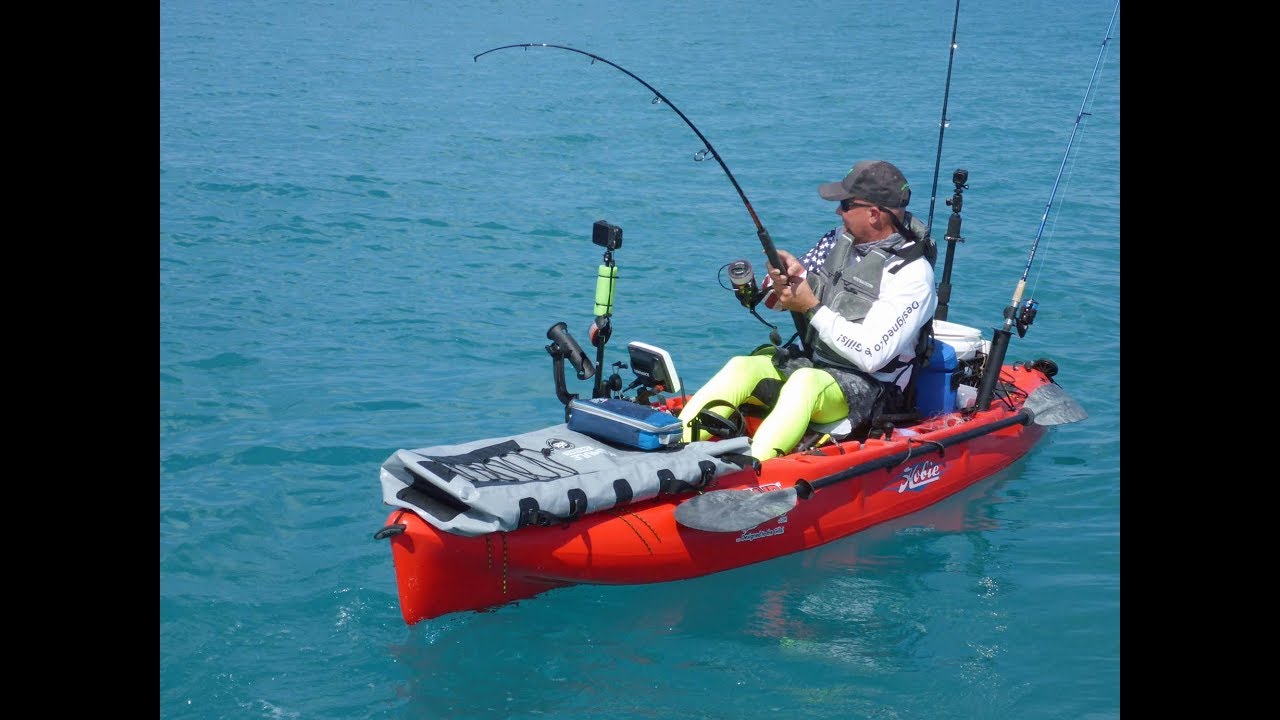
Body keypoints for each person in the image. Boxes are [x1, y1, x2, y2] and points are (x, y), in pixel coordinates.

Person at [678, 160, 938, 461]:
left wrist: (812, 307)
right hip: (817, 365)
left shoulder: (912, 275)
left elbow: (871, 354)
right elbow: (781, 299)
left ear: (874, 214)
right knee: (743, 365)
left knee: (805, 383)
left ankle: (752, 472)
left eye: (845, 204)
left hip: (871, 389)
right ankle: (672, 451)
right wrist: (780, 284)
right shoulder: (835, 242)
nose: (837, 212)